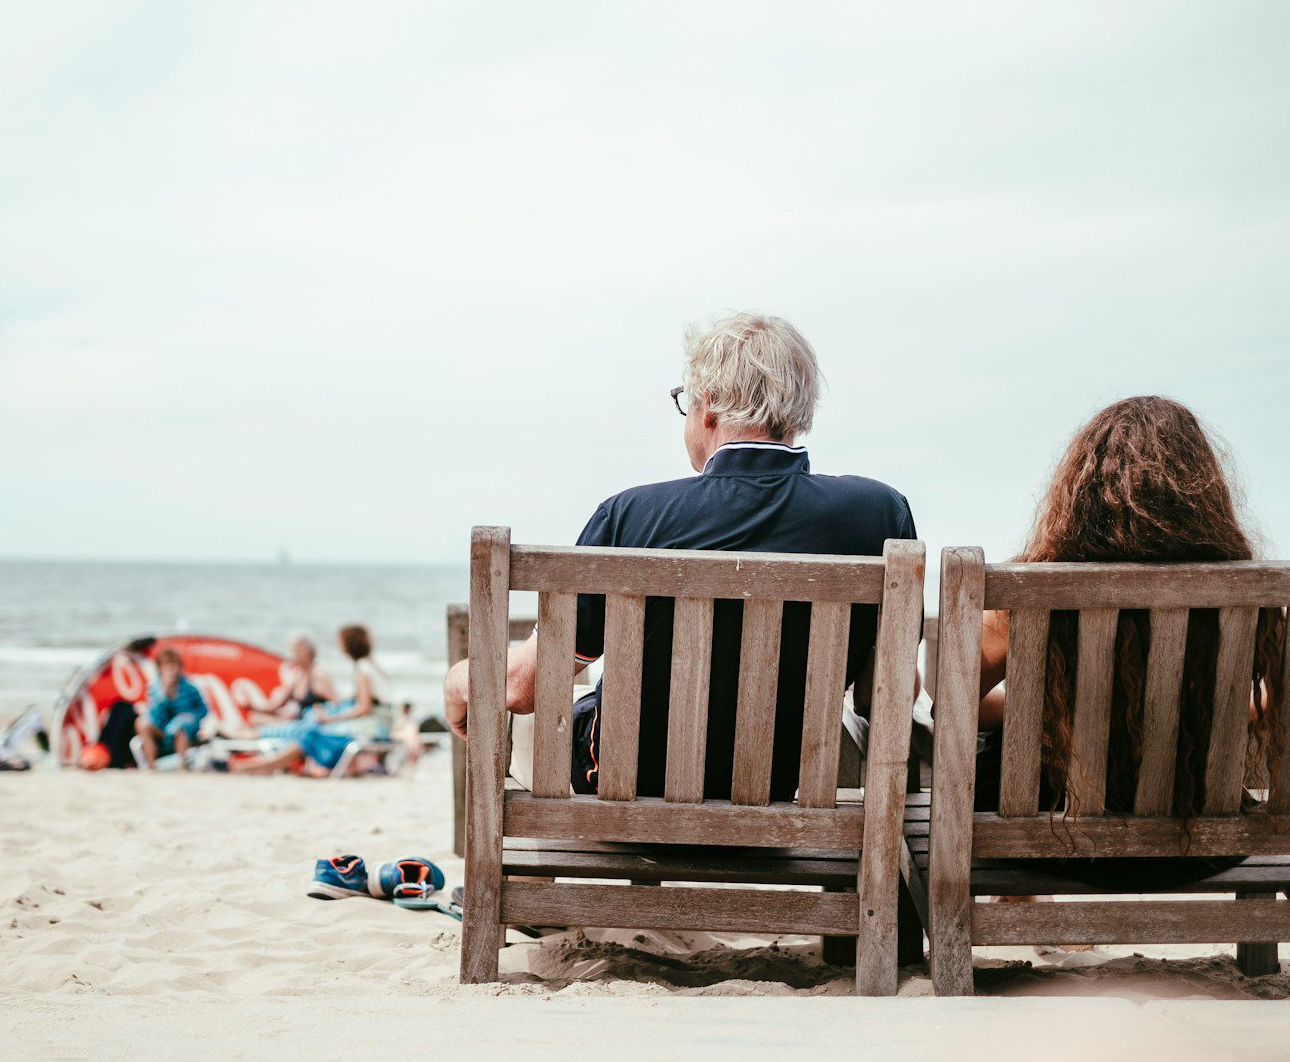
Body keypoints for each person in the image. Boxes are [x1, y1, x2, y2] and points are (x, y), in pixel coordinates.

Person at [442, 312, 917, 800]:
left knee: (522, 721)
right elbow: (894, 689)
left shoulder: (631, 517)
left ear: (707, 406)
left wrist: (458, 683)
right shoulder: (879, 514)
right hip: (781, 790)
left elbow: (523, 688)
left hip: (626, 791)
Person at [968, 396, 1285, 887]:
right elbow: (1275, 701)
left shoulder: (1032, 587)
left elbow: (954, 700)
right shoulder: (1249, 593)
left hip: (1044, 834)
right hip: (1195, 842)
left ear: (1080, 487)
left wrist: (1056, 711)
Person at [232, 625, 393, 777]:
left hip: (374, 726)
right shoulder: (370, 665)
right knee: (305, 730)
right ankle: (263, 763)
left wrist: (331, 718)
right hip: (379, 723)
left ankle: (264, 765)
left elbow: (364, 707)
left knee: (308, 731)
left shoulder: (361, 669)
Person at [136, 647, 209, 766]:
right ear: (160, 669)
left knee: (180, 726)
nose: (171, 670)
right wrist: (164, 695)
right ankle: (151, 765)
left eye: (173, 666)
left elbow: (203, 709)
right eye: (167, 666)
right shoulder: (154, 689)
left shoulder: (189, 688)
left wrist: (190, 717)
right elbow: (154, 715)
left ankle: (183, 765)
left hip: (185, 731)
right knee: (141, 723)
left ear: (180, 668)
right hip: (162, 730)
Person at [251, 634, 338, 724]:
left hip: (312, 720)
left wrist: (322, 709)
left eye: (296, 651)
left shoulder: (319, 674)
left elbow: (336, 703)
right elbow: (278, 703)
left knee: (291, 715)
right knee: (255, 717)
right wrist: (254, 706)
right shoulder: (296, 674)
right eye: (292, 651)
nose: (292, 655)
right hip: (297, 718)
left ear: (308, 652)